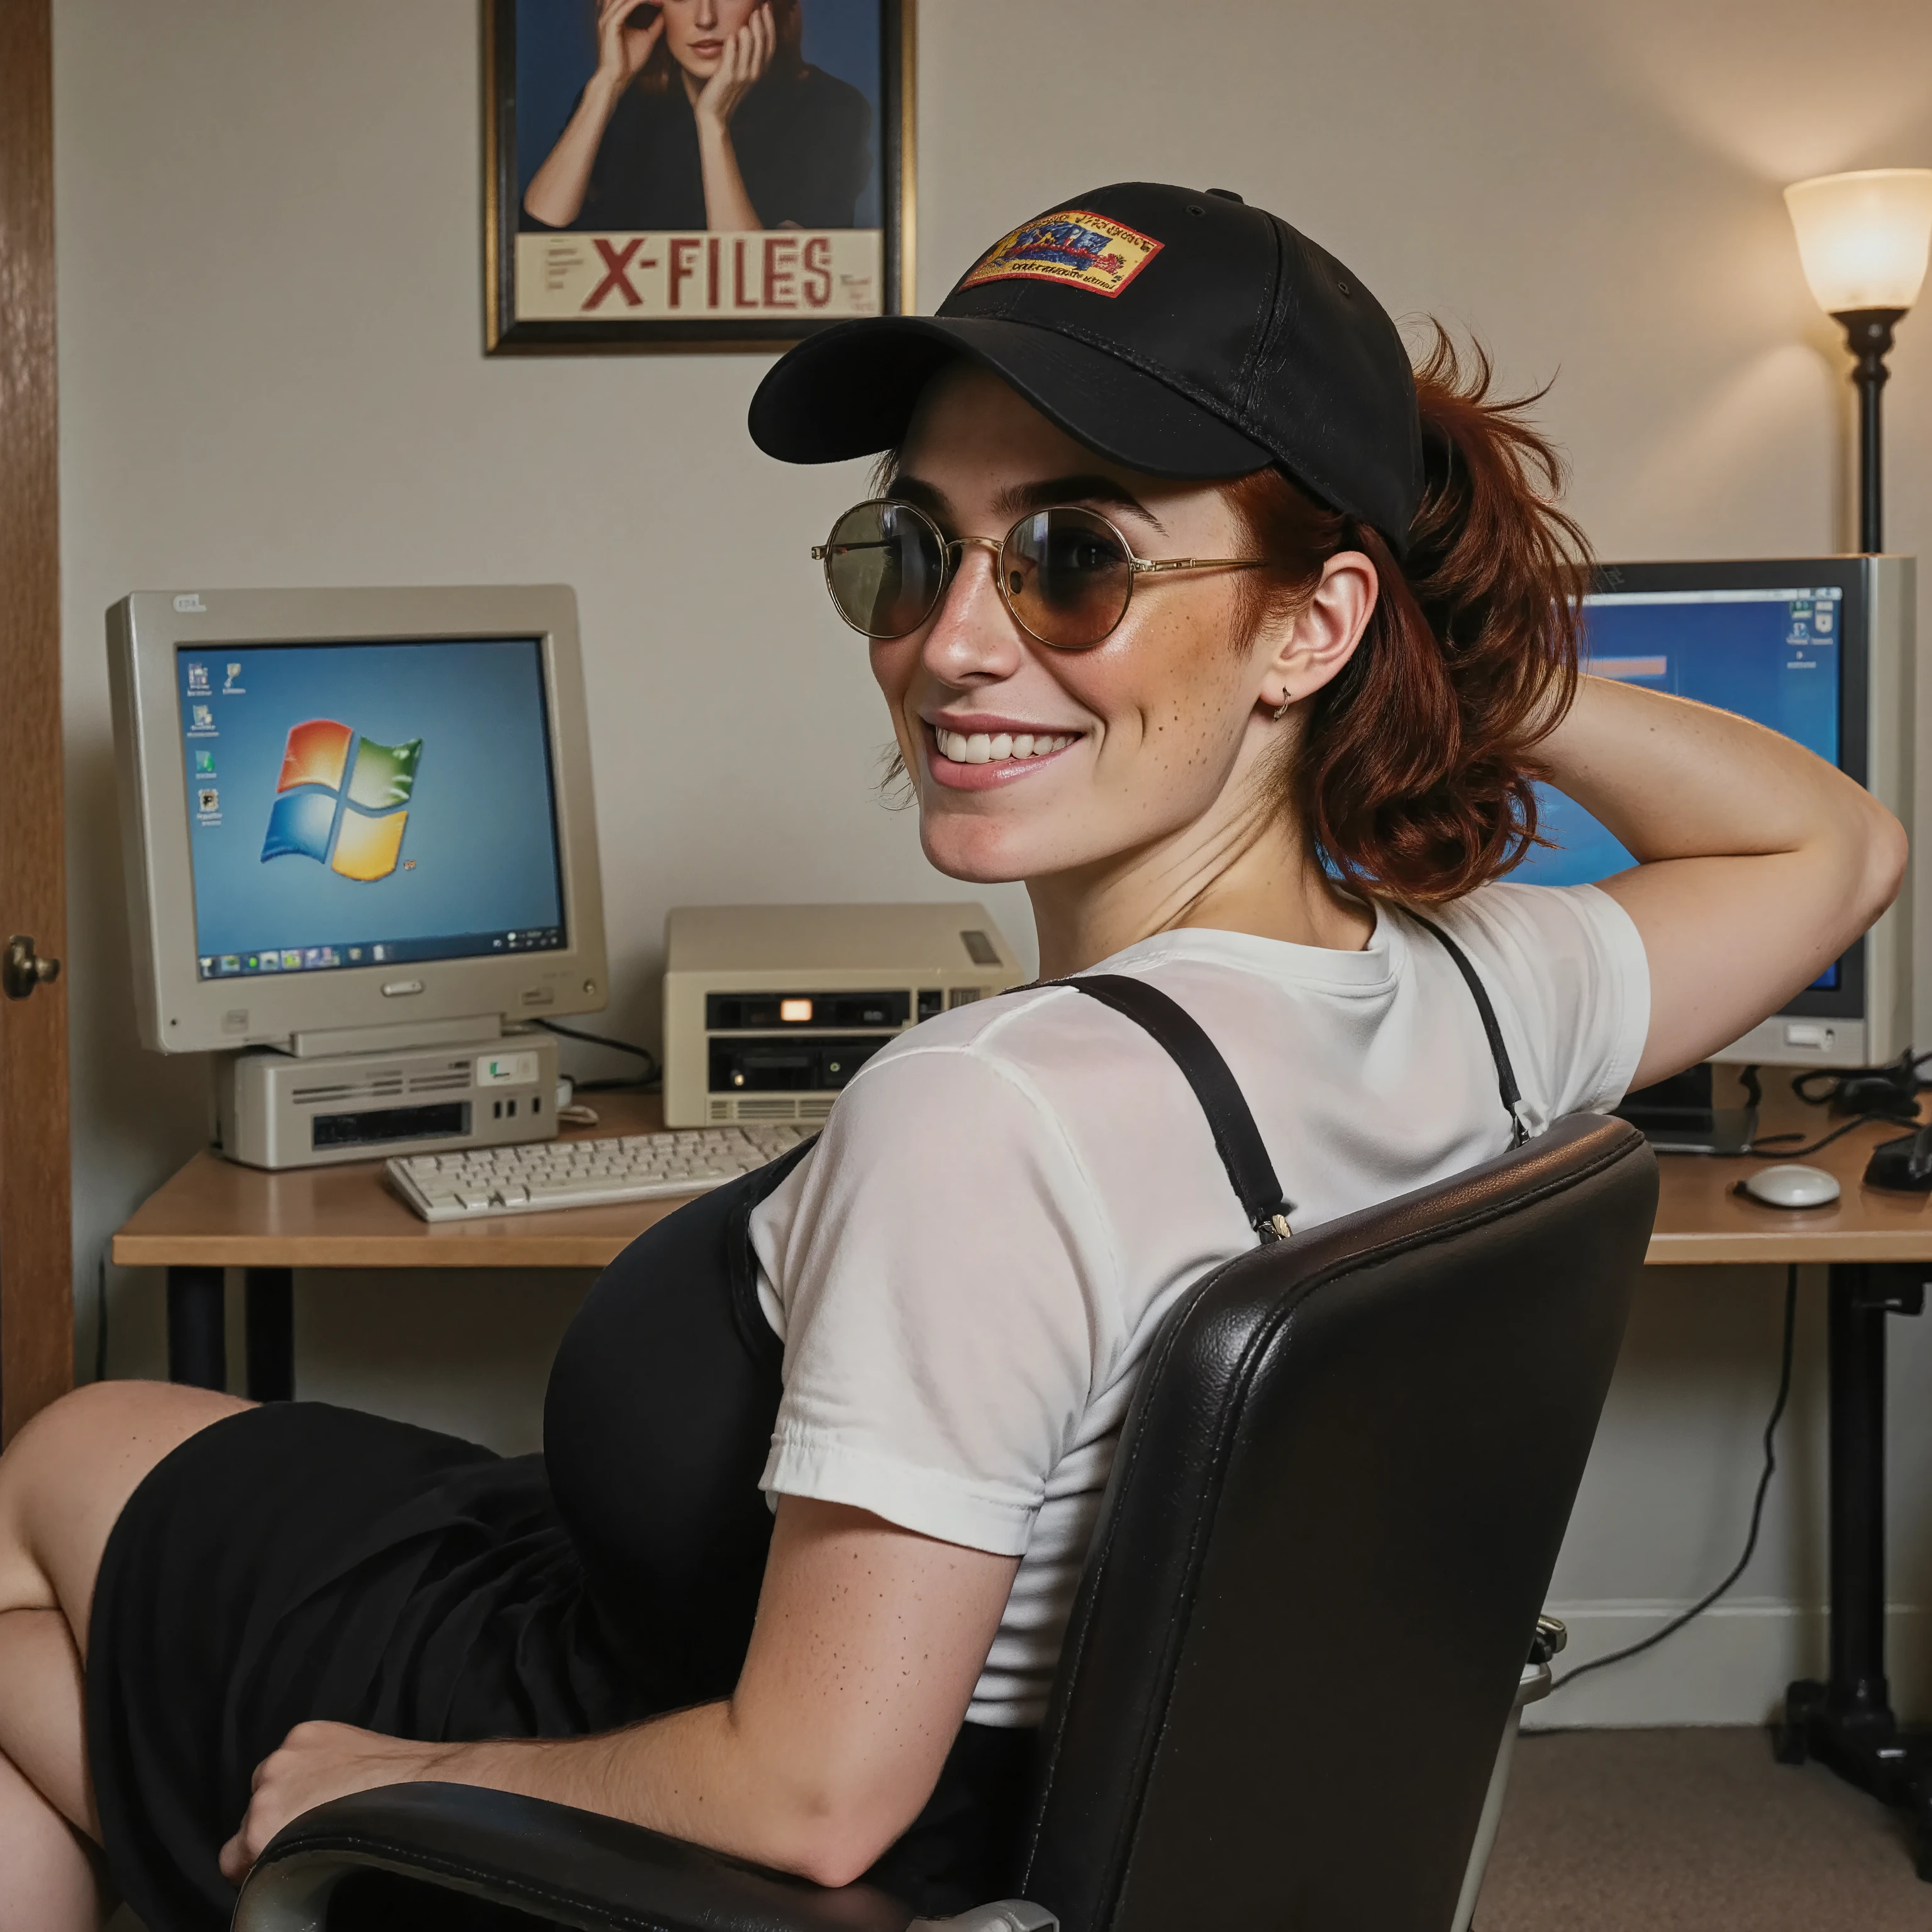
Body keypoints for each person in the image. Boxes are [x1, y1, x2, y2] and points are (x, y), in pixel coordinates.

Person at [0, 182, 1904, 1932]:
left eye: (1072, 554)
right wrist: (1397, 628)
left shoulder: (990, 1117)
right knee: (85, 1472)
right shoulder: (1483, 1008)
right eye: (913, 549)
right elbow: (1836, 849)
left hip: (697, 1760)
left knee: (44, 1537)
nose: (951, 643)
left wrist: (402, 1773)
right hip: (675, 1622)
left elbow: (816, 1793)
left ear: (1311, 619)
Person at [522, 0, 872, 234]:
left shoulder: (831, 106)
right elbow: (540, 233)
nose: (705, 18)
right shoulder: (623, 103)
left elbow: (755, 283)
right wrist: (608, 84)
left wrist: (713, 124)